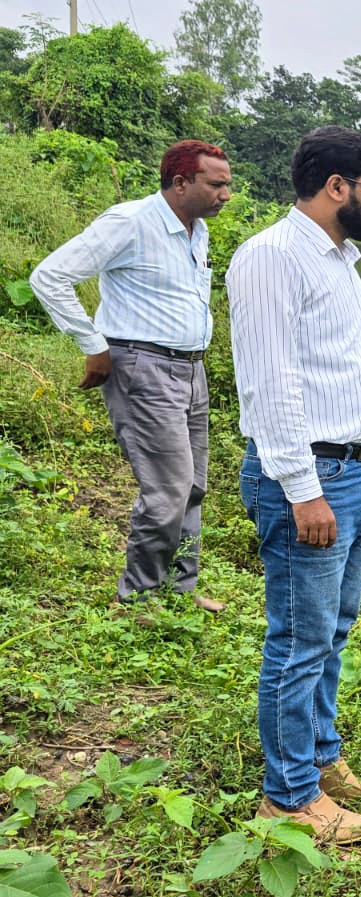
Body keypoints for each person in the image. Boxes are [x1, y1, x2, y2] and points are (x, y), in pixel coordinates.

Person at [228, 125, 361, 845]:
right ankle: (288, 798)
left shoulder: (338, 258)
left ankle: (322, 760)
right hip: (310, 477)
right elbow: (271, 384)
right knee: (298, 640)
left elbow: (335, 368)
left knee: (332, 630)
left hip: (352, 470)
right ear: (337, 188)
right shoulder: (271, 259)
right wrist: (303, 488)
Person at [29, 140, 233, 614]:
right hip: (143, 367)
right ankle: (139, 599)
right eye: (216, 184)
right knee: (167, 490)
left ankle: (179, 591)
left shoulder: (195, 229)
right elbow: (49, 276)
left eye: (227, 185)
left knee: (193, 486)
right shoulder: (130, 222)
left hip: (190, 367)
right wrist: (93, 345)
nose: (226, 194)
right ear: (181, 183)